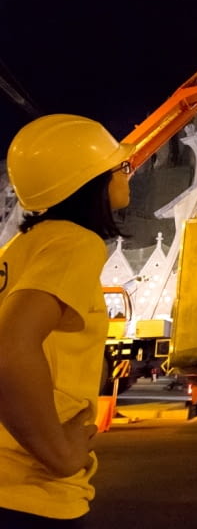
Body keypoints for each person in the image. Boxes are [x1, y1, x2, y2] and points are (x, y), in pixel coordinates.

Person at [0, 114, 135, 527]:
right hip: (30, 491)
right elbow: (9, 348)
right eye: (121, 167)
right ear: (91, 181)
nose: (127, 175)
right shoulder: (75, 243)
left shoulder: (21, 247)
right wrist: (60, 454)